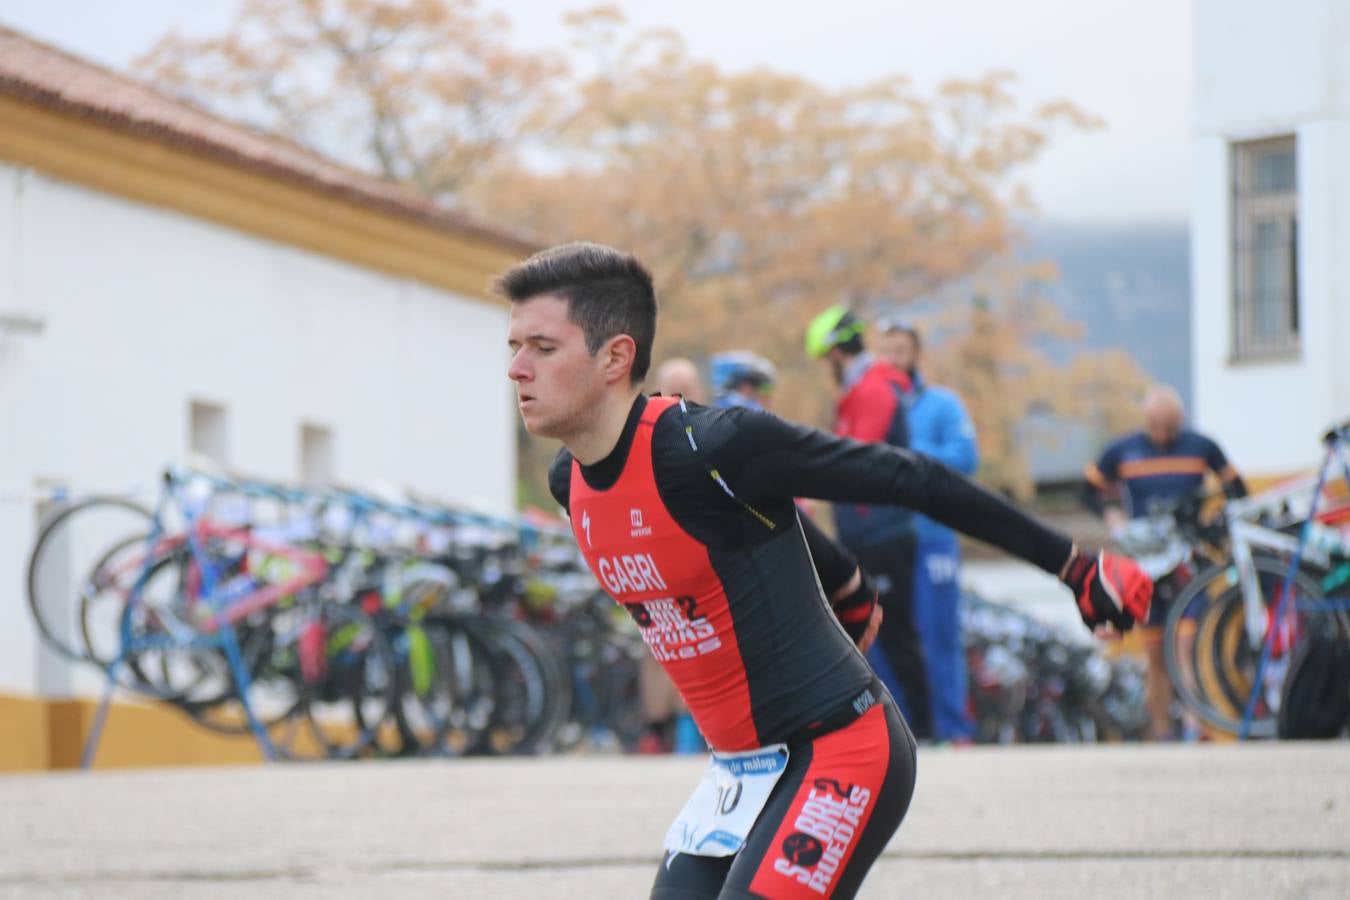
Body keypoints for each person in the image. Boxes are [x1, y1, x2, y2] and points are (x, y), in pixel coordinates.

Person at [502, 242, 1151, 900]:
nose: (517, 370)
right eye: (513, 347)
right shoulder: (571, 481)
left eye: (542, 348)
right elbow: (743, 517)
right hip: (739, 773)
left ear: (615, 357)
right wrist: (841, 577)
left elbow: (911, 477)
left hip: (841, 749)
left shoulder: (714, 445)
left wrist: (1073, 566)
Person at [1083, 384, 1247, 742]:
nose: (1162, 434)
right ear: (1146, 420)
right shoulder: (1123, 450)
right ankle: (1161, 732)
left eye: (1169, 427)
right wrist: (1111, 516)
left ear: (1180, 421)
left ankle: (1194, 724)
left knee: (1185, 646)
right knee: (1154, 651)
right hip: (1146, 565)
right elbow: (1088, 488)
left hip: (1188, 562)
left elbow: (1238, 488)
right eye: (1156, 426)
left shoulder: (1201, 447)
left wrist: (1210, 521)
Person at [803, 306, 933, 740]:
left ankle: (929, 731)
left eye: (827, 362)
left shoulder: (874, 389)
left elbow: (856, 460)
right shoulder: (860, 389)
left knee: (895, 632)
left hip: (884, 532)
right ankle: (883, 729)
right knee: (864, 633)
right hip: (864, 532)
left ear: (836, 354)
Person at [875, 316, 979, 745]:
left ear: (915, 354)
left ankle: (952, 729)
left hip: (932, 537)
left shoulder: (943, 405)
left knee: (939, 635)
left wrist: (907, 449)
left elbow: (965, 458)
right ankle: (900, 734)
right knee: (883, 637)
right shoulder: (868, 404)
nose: (894, 358)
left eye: (901, 350)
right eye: (887, 350)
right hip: (883, 541)